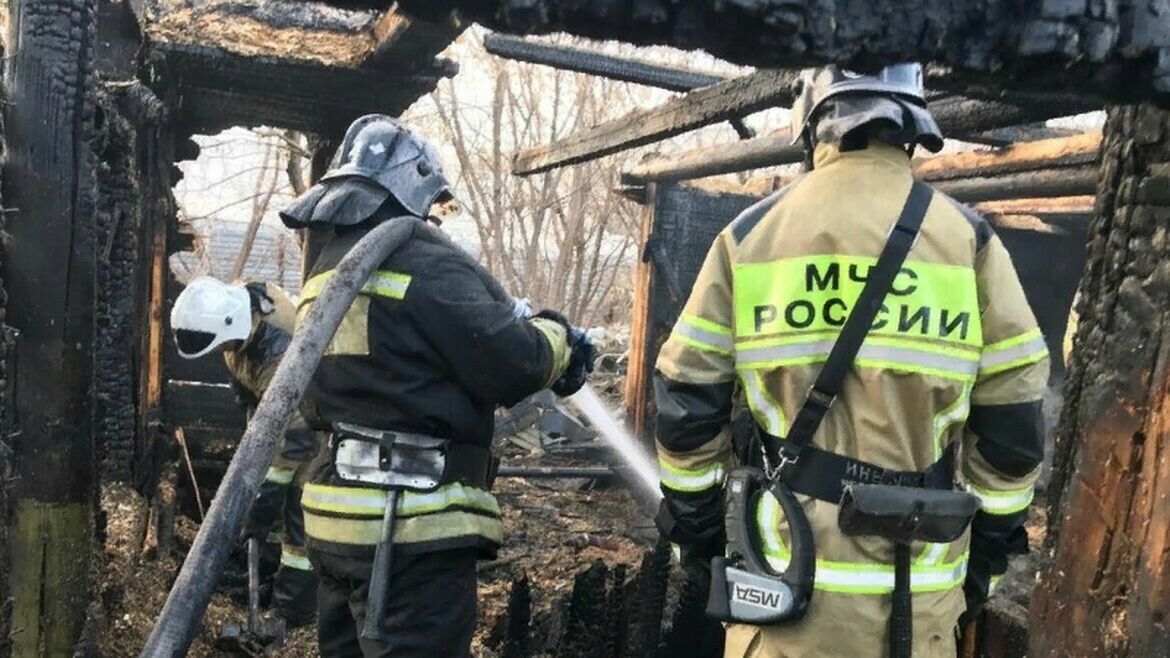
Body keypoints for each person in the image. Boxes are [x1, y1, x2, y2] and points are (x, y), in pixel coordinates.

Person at [653, 63, 1048, 657]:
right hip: (920, 609)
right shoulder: (970, 243)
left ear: (813, 122)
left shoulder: (748, 237)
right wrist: (981, 565)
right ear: (913, 122)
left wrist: (706, 541)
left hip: (783, 598)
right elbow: (1014, 435)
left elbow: (686, 408)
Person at [279, 114, 595, 657]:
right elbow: (516, 363)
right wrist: (559, 337)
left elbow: (319, 396)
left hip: (335, 524)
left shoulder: (326, 272)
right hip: (405, 532)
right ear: (415, 186)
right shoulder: (423, 259)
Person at [170, 276, 320, 627]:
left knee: (296, 514)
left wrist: (266, 491)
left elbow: (297, 435)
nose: (221, 351)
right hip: (281, 421)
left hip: (313, 427)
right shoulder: (236, 326)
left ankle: (292, 608)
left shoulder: (280, 350)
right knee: (267, 510)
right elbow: (246, 382)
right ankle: (263, 577)